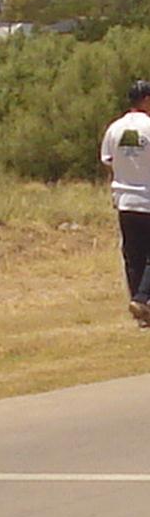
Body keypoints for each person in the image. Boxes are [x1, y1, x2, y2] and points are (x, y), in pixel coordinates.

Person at [101, 79, 150, 329]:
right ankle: (143, 299)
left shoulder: (114, 128)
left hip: (124, 199)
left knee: (134, 255)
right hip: (148, 198)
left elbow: (107, 159)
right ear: (146, 100)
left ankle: (139, 308)